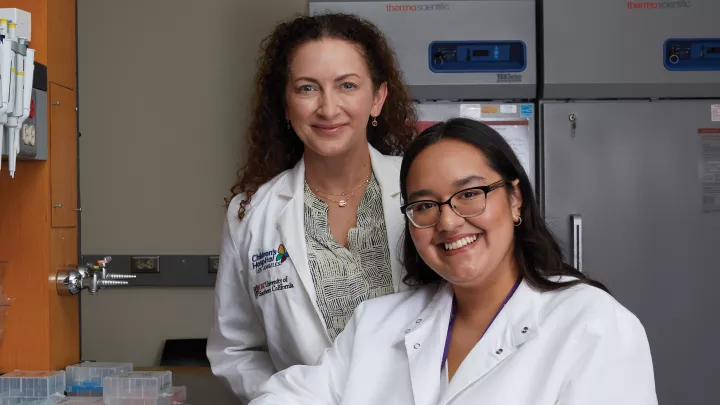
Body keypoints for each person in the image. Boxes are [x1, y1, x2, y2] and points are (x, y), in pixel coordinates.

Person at [247, 118, 658, 405]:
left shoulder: (593, 325)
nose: (447, 221)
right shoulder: (376, 324)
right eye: (424, 205)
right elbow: (288, 397)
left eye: (469, 194)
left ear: (515, 199)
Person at [206, 12, 418, 403]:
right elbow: (236, 350)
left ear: (377, 98)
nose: (328, 108)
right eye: (307, 89)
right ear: (286, 106)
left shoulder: (421, 188)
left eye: (347, 85)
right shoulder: (251, 213)